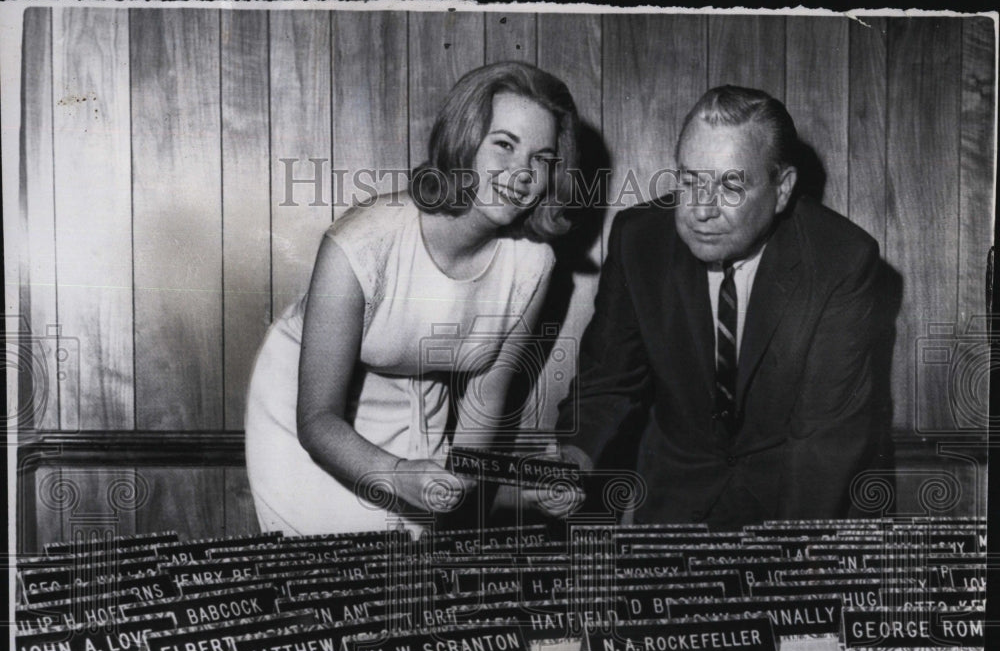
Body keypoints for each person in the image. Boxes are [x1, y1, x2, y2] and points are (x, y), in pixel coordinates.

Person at [246, 62, 580, 536]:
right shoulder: (361, 243)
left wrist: (478, 485)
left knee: (405, 575)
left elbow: (486, 397)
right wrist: (400, 475)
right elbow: (317, 420)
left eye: (542, 158)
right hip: (306, 406)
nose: (523, 173)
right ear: (464, 141)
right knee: (322, 573)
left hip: (417, 394)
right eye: (504, 145)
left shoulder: (533, 264)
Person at [556, 85, 880, 529]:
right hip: (672, 503)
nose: (701, 210)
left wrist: (788, 560)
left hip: (797, 504)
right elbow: (608, 380)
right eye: (690, 181)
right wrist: (574, 457)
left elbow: (824, 440)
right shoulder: (639, 240)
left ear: (782, 189)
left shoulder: (840, 259)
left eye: (730, 185)